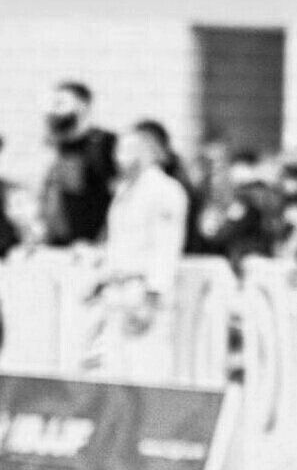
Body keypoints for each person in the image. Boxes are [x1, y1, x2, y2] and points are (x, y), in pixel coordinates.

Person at [88, 121, 189, 380]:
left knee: (147, 369)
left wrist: (152, 296)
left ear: (147, 152)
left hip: (142, 290)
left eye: (126, 150)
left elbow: (166, 248)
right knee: (114, 370)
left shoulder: (165, 191)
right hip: (117, 290)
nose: (118, 158)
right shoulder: (124, 190)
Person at [40, 80, 118, 247]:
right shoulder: (58, 146)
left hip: (90, 245)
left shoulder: (105, 144)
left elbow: (119, 195)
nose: (53, 111)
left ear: (82, 106)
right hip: (58, 243)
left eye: (60, 103)